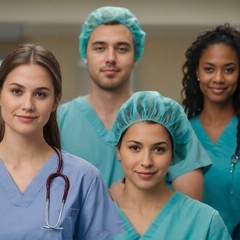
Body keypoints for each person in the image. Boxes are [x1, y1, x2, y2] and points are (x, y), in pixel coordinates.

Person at [0, 43, 124, 239]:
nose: (27, 105)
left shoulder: (83, 178)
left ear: (56, 101)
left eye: (40, 94)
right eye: (17, 91)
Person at [57, 6, 211, 200]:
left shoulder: (166, 115)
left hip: (151, 230)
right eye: (100, 48)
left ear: (135, 56)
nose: (110, 58)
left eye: (121, 49)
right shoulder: (59, 120)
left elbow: (190, 204)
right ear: (85, 54)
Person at [109, 91, 231, 239]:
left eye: (159, 149)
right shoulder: (93, 219)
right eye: (135, 148)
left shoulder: (205, 222)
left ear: (173, 154)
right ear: (118, 151)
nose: (146, 162)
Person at [181, 23, 240, 236]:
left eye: (229, 69)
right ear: (197, 71)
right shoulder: (180, 134)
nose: (218, 78)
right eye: (209, 68)